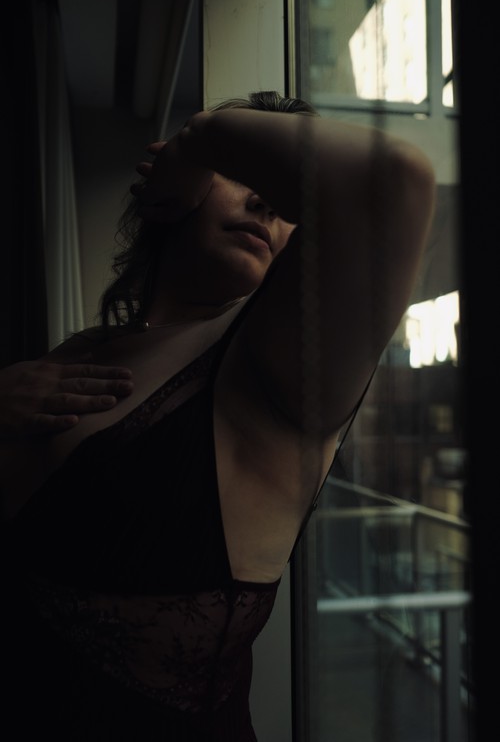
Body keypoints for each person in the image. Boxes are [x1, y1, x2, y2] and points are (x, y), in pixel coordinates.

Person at [1, 91, 435, 740]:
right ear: (177, 192)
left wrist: (200, 137)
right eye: (242, 177)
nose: (268, 204)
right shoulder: (81, 351)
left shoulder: (278, 370)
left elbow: (394, 180)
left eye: (284, 196)